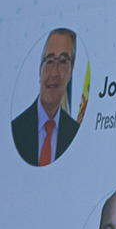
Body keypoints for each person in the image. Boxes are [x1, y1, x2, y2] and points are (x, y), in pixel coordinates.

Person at [11, 28, 81, 167]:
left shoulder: (75, 133)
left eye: (62, 62)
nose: (54, 73)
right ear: (40, 70)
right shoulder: (16, 129)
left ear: (71, 71)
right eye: (49, 61)